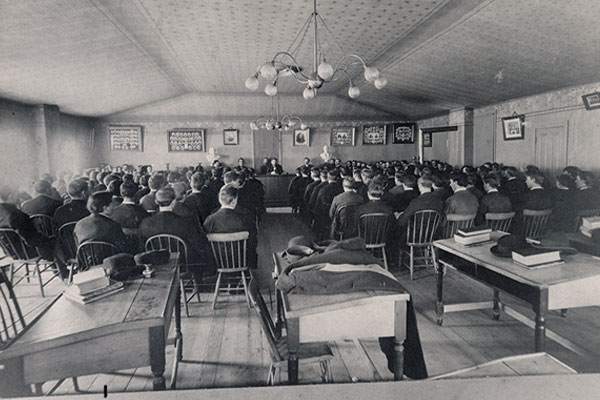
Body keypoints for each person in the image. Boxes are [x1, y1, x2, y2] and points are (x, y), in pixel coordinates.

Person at [139, 187, 216, 278]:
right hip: (184, 265)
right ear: (174, 202)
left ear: (156, 202)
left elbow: (142, 247)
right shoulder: (186, 222)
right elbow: (200, 243)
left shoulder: (145, 223)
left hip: (157, 264)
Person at [203, 184, 258, 269]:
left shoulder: (210, 219)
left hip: (218, 261)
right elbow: (253, 242)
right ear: (234, 200)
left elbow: (205, 243)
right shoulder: (246, 218)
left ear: (219, 199)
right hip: (241, 260)